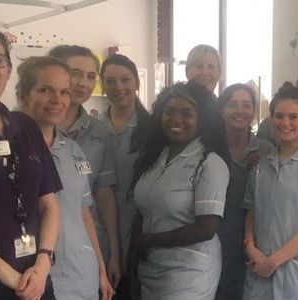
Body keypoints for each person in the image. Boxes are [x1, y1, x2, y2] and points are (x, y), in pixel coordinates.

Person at [0, 24, 60, 300]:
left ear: (8, 70)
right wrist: (9, 276)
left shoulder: (25, 127)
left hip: (35, 280)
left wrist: (43, 262)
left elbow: (48, 205)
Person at [17, 56, 114, 300]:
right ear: (24, 94)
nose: (57, 100)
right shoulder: (8, 148)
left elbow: (84, 213)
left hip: (82, 274)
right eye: (45, 90)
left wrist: (100, 269)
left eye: (64, 92)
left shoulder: (73, 150)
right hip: (33, 276)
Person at [128, 81, 230, 299]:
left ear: (201, 119)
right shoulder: (154, 158)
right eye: (170, 112)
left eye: (187, 113)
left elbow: (206, 229)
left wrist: (147, 241)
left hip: (190, 272)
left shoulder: (210, 163)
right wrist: (133, 264)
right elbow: (142, 212)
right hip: (152, 269)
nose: (176, 119)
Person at [242, 83, 298, 299]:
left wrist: (273, 262)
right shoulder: (260, 166)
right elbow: (251, 211)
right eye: (279, 116)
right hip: (260, 272)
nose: (285, 123)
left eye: (293, 117)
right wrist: (250, 245)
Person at [48, 45, 122, 289]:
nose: (83, 83)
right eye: (75, 73)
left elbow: (104, 195)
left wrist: (113, 253)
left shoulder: (99, 132)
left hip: (86, 247)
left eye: (91, 76)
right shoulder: (24, 126)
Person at [215, 83, 273, 300]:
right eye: (233, 105)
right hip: (215, 241)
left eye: (246, 105)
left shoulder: (267, 151)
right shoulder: (211, 149)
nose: (240, 110)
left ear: (254, 111)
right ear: (222, 110)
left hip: (255, 244)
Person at [99, 53, 150, 297]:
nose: (118, 87)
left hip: (138, 234)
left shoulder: (153, 131)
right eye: (110, 81)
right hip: (99, 234)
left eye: (125, 79)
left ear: (137, 82)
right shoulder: (93, 129)